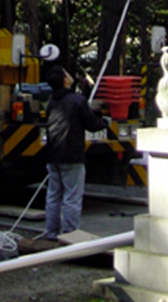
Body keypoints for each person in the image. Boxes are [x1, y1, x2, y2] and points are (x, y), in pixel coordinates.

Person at [44, 65, 106, 241]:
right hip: (72, 155)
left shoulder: (52, 102)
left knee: (53, 195)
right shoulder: (77, 101)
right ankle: (70, 234)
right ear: (65, 80)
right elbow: (92, 125)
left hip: (53, 154)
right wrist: (105, 122)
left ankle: (52, 232)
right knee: (72, 197)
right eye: (67, 73)